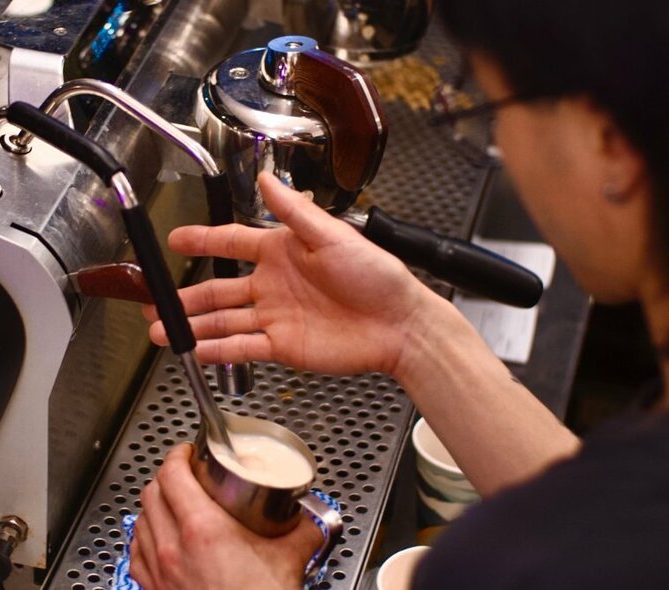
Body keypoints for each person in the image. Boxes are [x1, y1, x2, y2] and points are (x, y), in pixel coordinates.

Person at [129, 0, 669, 587]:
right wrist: (412, 333)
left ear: (610, 143)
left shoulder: (489, 564)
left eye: (498, 109)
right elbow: (601, 526)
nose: (504, 146)